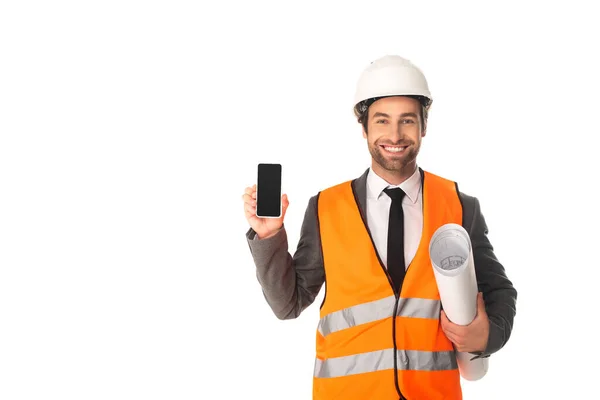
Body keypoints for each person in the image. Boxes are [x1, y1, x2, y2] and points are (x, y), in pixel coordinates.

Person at [241, 55, 517, 400]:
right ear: (365, 128)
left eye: (408, 121)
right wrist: (269, 237)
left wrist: (487, 336)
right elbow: (289, 304)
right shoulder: (326, 207)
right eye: (382, 121)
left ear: (424, 126)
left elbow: (500, 292)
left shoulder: (460, 206)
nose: (395, 135)